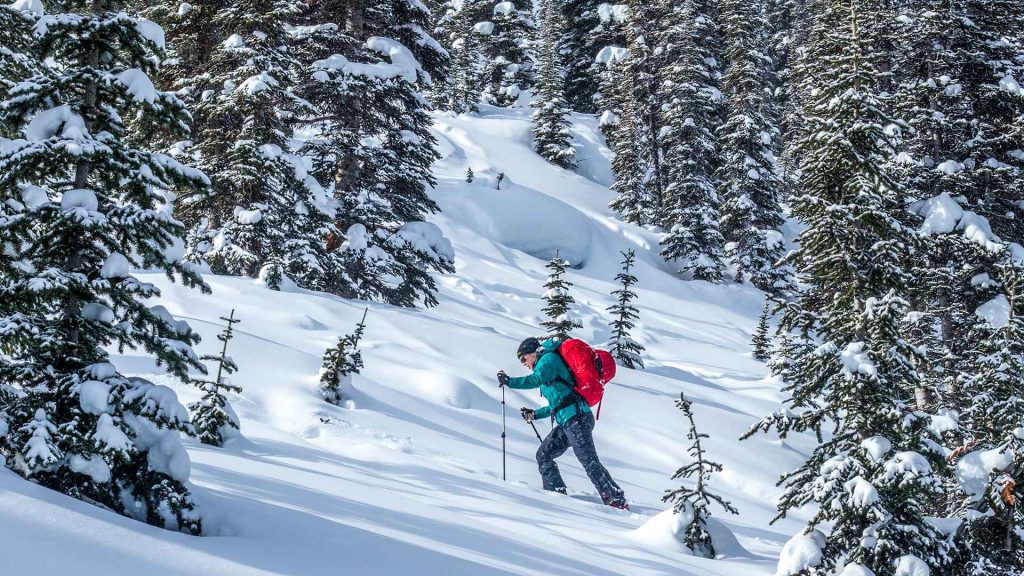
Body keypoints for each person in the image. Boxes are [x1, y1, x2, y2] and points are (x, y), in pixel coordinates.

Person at [498, 337, 628, 509]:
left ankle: (615, 498)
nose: (523, 363)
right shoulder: (546, 368)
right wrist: (534, 415)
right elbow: (556, 405)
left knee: (589, 460)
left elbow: (535, 380)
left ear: (533, 353)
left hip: (577, 418)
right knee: (543, 455)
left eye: (523, 358)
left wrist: (509, 381)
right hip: (568, 420)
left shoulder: (547, 360)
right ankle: (555, 494)